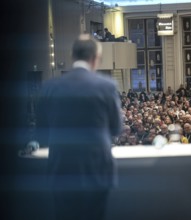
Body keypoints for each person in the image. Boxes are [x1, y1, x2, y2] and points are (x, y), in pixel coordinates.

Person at [37, 34, 122, 220]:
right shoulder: (106, 86)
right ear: (95, 58)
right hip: (97, 169)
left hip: (61, 169)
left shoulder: (49, 87)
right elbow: (116, 128)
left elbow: (41, 132)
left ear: (72, 56)